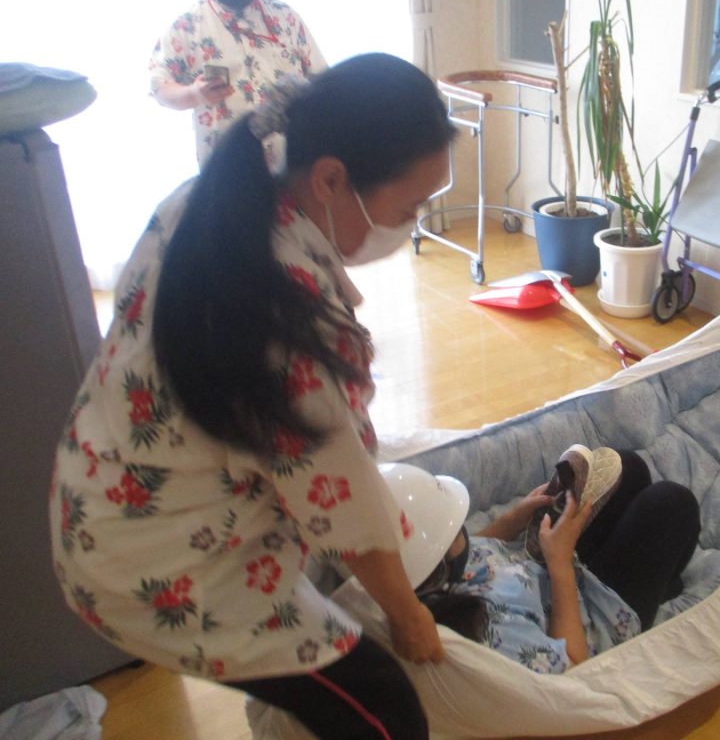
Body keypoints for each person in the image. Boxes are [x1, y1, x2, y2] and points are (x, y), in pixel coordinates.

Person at [49, 53, 457, 740]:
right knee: (382, 706)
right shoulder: (287, 318)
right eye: (409, 207)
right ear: (331, 179)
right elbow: (340, 496)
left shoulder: (210, 202)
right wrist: (409, 615)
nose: (411, 224)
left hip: (94, 493)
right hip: (154, 565)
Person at [383, 447, 702, 674]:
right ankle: (664, 586)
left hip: (549, 566)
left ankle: (647, 569)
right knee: (673, 504)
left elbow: (474, 547)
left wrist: (514, 518)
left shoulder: (419, 580)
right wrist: (560, 563)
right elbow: (572, 666)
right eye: (456, 533)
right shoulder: (489, 634)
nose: (464, 532)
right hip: (593, 615)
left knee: (629, 467)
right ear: (438, 567)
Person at [149, 0, 327, 167]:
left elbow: (323, 81)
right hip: (230, 167)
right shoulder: (186, 27)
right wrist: (194, 93)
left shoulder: (285, 16)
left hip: (296, 162)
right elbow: (160, 88)